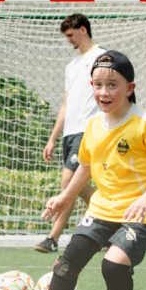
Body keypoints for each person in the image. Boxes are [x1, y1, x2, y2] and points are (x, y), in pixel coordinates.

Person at [23, 50, 146, 290]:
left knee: (114, 265)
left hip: (141, 213)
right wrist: (64, 196)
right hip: (103, 208)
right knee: (67, 262)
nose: (103, 92)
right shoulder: (93, 125)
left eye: (112, 85)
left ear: (130, 88)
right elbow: (85, 166)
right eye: (97, 85)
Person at [36, 13, 106, 253]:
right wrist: (53, 138)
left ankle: (53, 238)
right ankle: (109, 223)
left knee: (68, 181)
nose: (68, 40)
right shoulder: (72, 65)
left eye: (70, 35)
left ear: (83, 30)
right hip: (70, 132)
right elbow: (65, 103)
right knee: (76, 185)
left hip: (89, 129)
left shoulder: (102, 57)